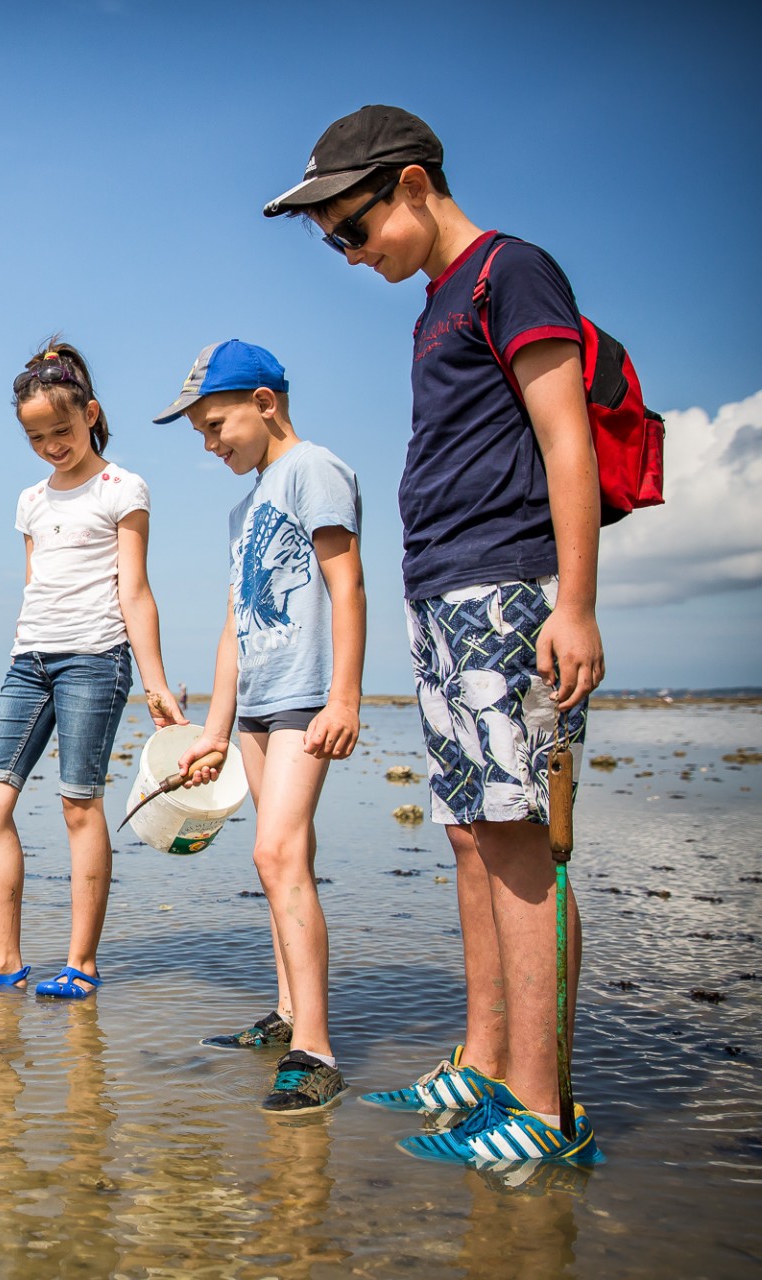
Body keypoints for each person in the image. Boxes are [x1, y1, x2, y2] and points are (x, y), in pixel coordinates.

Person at [265, 106, 604, 1165]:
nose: (350, 254)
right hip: (444, 596)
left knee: (522, 844)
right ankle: (486, 1061)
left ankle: (542, 1113)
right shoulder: (432, 307)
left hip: (511, 588)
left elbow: (567, 439)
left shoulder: (514, 273)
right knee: (468, 832)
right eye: (334, 242)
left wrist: (577, 603)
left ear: (413, 184)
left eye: (353, 230)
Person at [155, 339, 365, 1112]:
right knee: (273, 855)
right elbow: (233, 624)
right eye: (202, 434)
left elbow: (347, 584)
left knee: (281, 852)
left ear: (264, 404)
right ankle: (286, 1015)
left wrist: (345, 698)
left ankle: (317, 1049)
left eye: (217, 426)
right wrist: (215, 728)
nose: (211, 445)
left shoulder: (315, 471)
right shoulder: (246, 506)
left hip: (307, 692)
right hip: (257, 700)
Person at [0, 340, 184, 1000]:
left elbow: (135, 590)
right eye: (36, 437)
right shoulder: (31, 500)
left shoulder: (123, 488)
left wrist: (156, 683)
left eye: (60, 431)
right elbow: (37, 586)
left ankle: (80, 963)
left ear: (90, 414)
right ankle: (3, 957)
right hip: (29, 661)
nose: (52, 446)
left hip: (97, 658)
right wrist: (21, 649)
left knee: (78, 804)